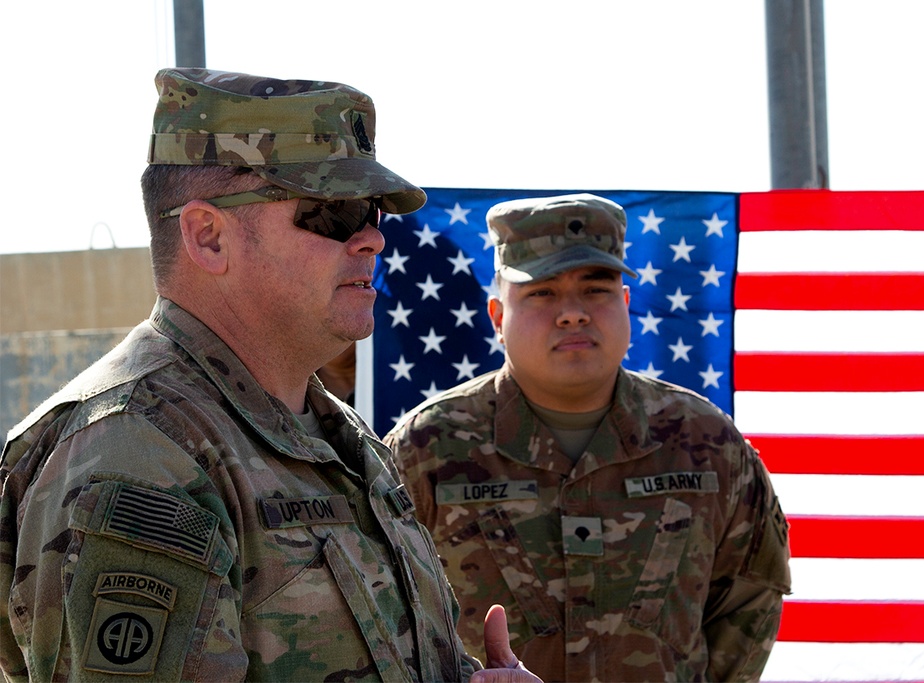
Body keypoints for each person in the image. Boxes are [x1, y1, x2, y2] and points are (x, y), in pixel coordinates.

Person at [0, 68, 541, 683]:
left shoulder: (339, 438)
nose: (371, 239)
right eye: (332, 212)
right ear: (208, 236)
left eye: (371, 212)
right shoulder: (135, 450)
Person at [385, 193, 792, 682]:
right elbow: (384, 612)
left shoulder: (706, 442)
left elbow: (749, 599)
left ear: (624, 303)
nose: (572, 314)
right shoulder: (426, 448)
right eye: (542, 292)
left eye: (595, 289)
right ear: (497, 316)